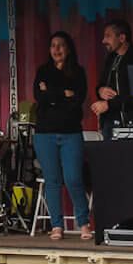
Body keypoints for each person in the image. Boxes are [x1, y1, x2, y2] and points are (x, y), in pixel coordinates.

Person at [32, 32, 91, 241]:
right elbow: (40, 97)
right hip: (45, 133)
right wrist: (62, 94)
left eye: (61, 46)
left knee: (74, 178)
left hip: (70, 132)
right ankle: (56, 225)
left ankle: (83, 222)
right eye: (53, 46)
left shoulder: (77, 72)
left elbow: (77, 100)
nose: (56, 50)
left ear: (68, 49)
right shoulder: (43, 71)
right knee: (52, 180)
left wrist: (51, 94)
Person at [91, 19, 133, 139]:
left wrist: (109, 104)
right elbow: (101, 83)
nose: (103, 41)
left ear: (122, 38)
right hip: (110, 122)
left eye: (108, 36)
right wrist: (101, 90)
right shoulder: (110, 58)